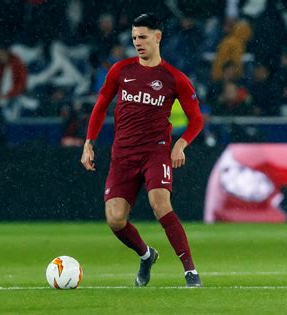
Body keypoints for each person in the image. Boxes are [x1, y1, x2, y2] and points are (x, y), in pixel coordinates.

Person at [80, 13, 203, 287]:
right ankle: (146, 255)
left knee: (160, 205)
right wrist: (88, 142)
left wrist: (180, 145)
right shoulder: (121, 71)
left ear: (157, 37)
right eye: (134, 37)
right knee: (115, 220)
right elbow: (100, 106)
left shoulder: (174, 78)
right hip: (122, 154)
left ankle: (190, 271)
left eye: (143, 37)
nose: (138, 42)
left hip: (156, 151)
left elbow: (197, 120)